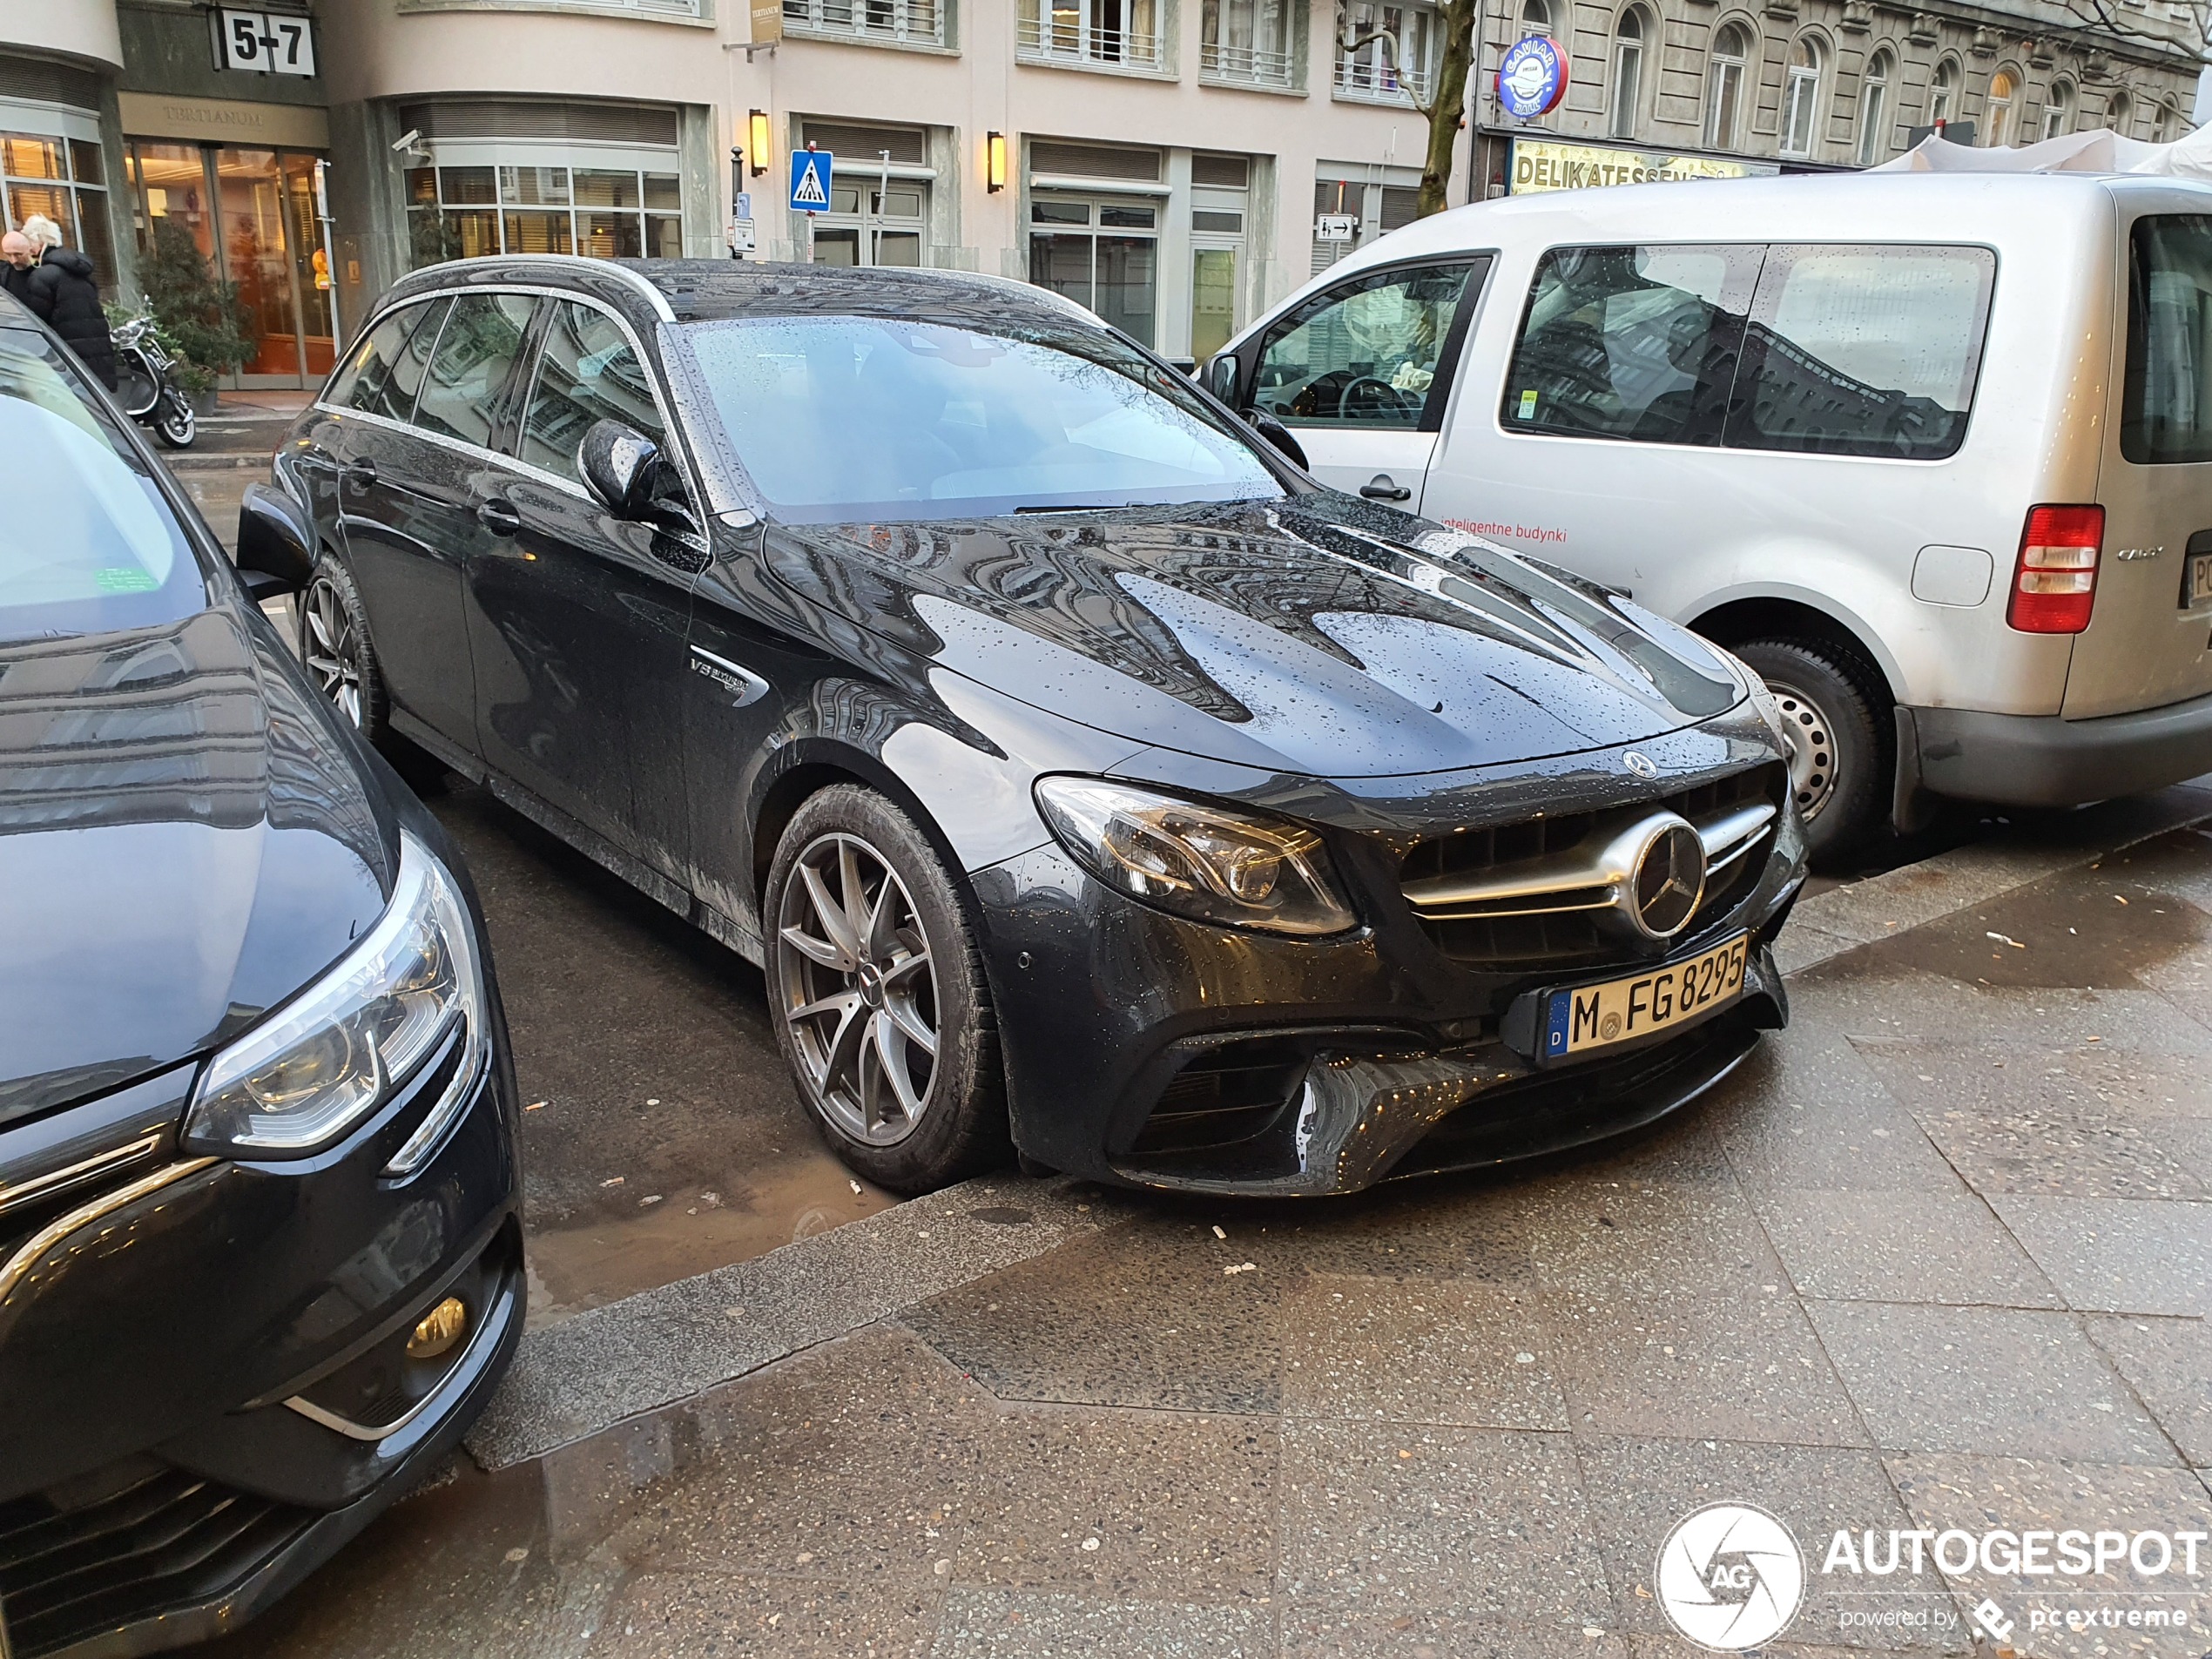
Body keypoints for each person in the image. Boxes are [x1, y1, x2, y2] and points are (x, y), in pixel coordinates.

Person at [22, 214, 117, 389]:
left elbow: (36, 323)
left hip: (70, 360)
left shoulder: (42, 276)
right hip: (97, 356)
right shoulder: (80, 271)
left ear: (37, 243)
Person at [1, 231, 36, 311]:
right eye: (8, 255)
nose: (13, 260)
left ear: (31, 250)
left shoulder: (44, 273)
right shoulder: (4, 274)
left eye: (18, 254)